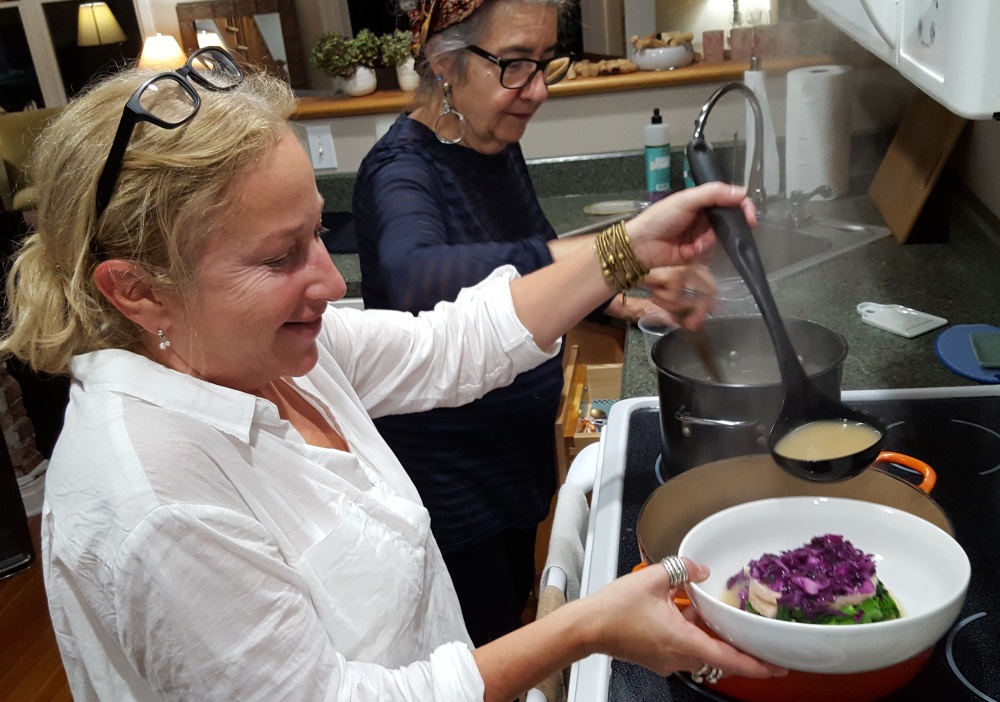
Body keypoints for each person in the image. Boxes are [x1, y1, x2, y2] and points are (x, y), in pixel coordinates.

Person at [0, 48, 783, 701]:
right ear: (136, 290)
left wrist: (633, 244)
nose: (332, 283)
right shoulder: (156, 504)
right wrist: (585, 627)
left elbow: (455, 343)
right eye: (279, 257)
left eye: (317, 235)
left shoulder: (263, 355)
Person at [353, 0, 717, 645]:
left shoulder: (491, 142)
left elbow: (535, 255)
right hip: (453, 483)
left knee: (520, 596)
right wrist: (619, 250)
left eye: (545, 63)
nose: (540, 89)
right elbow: (417, 276)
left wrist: (618, 295)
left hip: (518, 459)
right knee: (487, 640)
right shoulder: (401, 169)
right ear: (444, 61)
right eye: (516, 65)